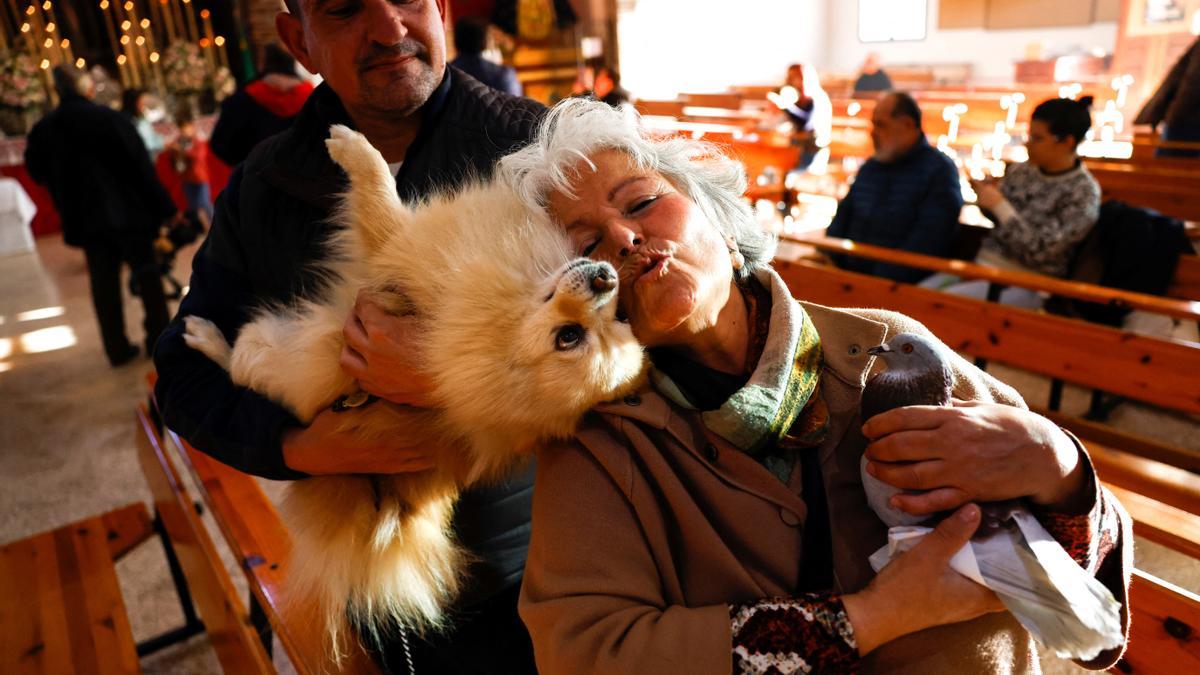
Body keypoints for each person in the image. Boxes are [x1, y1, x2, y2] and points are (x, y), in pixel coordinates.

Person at [503, 98, 1131, 674]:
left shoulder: (890, 350)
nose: (622, 237)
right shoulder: (600, 438)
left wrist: (1060, 468)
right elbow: (585, 653)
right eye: (586, 245)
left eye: (640, 203)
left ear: (721, 224)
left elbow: (1091, 574)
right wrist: (878, 615)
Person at [152, 0, 545, 672]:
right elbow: (183, 377)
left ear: (443, 9)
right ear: (298, 39)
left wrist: (456, 380)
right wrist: (300, 444)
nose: (390, 29)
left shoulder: (539, 149)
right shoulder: (264, 185)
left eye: (409, 0)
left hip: (542, 565)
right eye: (344, 9)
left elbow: (646, 347)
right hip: (377, 576)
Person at [26, 65, 177, 367]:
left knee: (103, 283)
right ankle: (159, 341)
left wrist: (64, 187)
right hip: (131, 214)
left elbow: (36, 171)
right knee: (148, 276)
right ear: (88, 89)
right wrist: (166, 209)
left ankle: (116, 348)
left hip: (86, 220)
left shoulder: (45, 128)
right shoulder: (111, 119)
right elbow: (140, 168)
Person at [925, 97, 1102, 308]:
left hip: (1026, 283)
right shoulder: (1023, 171)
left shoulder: (1083, 193)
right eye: (1029, 136)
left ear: (1067, 142)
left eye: (1038, 138)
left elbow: (1041, 251)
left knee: (933, 306)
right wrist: (986, 198)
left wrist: (999, 205)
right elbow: (1000, 220)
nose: (1028, 144)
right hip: (983, 267)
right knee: (910, 297)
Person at [827, 91, 963, 283]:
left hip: (897, 283)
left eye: (881, 125)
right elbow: (843, 216)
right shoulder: (872, 167)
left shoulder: (939, 170)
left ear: (907, 124)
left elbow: (929, 239)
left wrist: (878, 279)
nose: (872, 132)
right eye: (873, 124)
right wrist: (831, 256)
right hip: (849, 274)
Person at [210, 43, 315, 167]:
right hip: (310, 173)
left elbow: (220, 144)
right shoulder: (313, 96)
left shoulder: (243, 99)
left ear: (264, 63)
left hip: (260, 177)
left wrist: (247, 165)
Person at [1135, 36, 1200, 158]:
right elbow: (1192, 83)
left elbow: (1177, 78)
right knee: (1172, 168)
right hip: (1187, 122)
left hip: (1181, 120)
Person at [768, 63, 832, 172]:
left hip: (812, 153)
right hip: (793, 150)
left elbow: (806, 124)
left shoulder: (818, 97)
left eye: (798, 78)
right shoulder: (795, 97)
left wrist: (785, 105)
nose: (794, 82)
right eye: (791, 78)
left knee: (784, 174)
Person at [449, 15, 523, 96]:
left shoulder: (445, 74)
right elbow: (515, 104)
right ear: (485, 42)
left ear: (455, 41)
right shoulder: (503, 75)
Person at [166, 110, 214, 225]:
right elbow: (173, 159)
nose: (184, 130)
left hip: (199, 177)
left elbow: (198, 156)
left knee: (205, 204)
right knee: (193, 206)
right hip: (186, 178)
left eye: (186, 127)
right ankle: (201, 229)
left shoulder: (198, 140)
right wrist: (172, 151)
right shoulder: (179, 141)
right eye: (181, 128)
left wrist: (180, 150)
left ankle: (215, 225)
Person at [121, 88, 164, 160]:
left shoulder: (141, 120)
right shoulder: (128, 123)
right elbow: (148, 146)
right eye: (140, 104)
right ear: (133, 104)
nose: (142, 107)